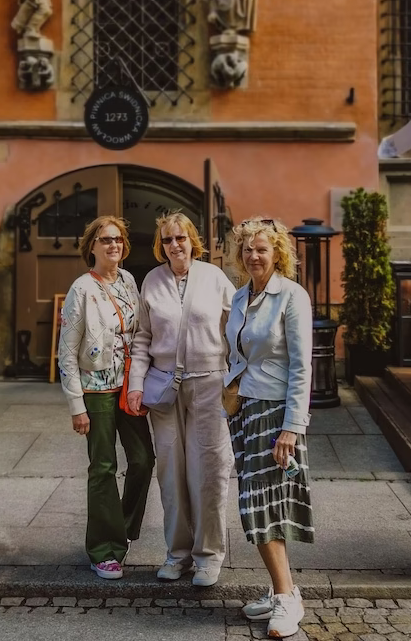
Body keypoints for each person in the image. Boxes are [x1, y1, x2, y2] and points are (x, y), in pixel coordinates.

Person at [127, 211, 235, 587]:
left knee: (208, 471)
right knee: (170, 473)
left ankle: (208, 556)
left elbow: (237, 332)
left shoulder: (215, 278)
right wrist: (135, 384)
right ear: (161, 245)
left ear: (193, 240)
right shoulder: (152, 281)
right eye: (168, 240)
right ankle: (177, 554)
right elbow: (142, 337)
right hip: (163, 388)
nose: (175, 245)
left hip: (208, 385)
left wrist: (237, 381)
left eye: (181, 238)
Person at [224, 216, 314, 637]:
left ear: (277, 253)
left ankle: (287, 597)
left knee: (260, 506)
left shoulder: (291, 296)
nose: (253, 255)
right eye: (247, 249)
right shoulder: (242, 296)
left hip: (276, 413)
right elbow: (238, 354)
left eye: (261, 248)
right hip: (245, 410)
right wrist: (231, 389)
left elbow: (302, 367)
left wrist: (292, 429)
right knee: (255, 504)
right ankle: (283, 592)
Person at [58, 216, 155, 580]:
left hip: (129, 386)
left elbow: (142, 331)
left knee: (143, 460)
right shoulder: (80, 289)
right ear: (92, 247)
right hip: (96, 390)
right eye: (105, 239)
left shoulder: (130, 281)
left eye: (118, 239)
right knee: (102, 468)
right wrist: (75, 406)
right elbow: (66, 352)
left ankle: (123, 531)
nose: (113, 245)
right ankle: (103, 549)